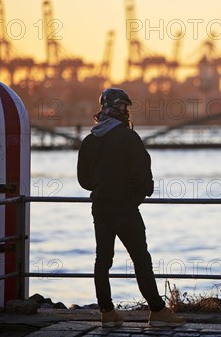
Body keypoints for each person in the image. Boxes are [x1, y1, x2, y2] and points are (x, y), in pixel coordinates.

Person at [77, 88, 186, 328]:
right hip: (125, 209)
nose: (127, 112)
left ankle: (107, 311)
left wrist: (101, 187)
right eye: (125, 108)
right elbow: (143, 176)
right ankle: (157, 311)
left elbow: (83, 180)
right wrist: (135, 197)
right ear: (119, 110)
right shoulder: (128, 137)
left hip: (100, 207)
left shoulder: (90, 140)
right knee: (140, 259)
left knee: (103, 259)